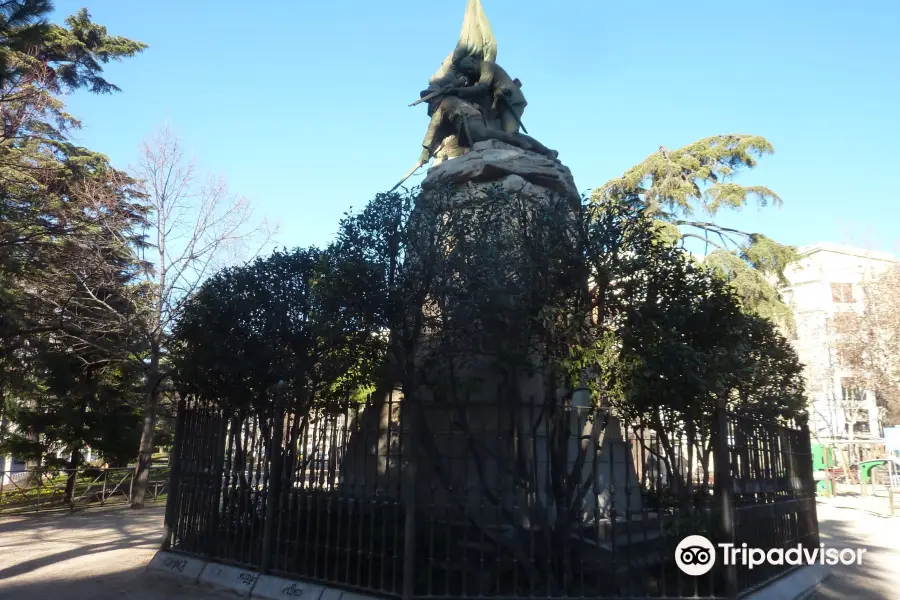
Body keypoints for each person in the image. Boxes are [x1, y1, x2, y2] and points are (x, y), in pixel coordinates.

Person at [450, 55, 528, 135]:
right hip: (499, 104)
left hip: (511, 101)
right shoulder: (475, 73)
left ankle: (531, 146)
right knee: (498, 132)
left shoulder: (486, 66)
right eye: (467, 72)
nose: (470, 72)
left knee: (511, 132)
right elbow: (469, 88)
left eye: (470, 68)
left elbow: (482, 88)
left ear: (474, 61)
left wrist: (456, 91)